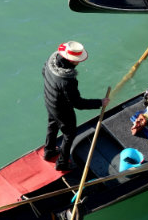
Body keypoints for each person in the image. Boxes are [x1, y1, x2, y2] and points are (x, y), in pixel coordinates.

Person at [42, 41, 109, 171]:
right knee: (69, 133)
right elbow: (77, 103)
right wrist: (100, 102)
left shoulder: (51, 61)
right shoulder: (67, 80)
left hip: (49, 100)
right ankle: (62, 163)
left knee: (52, 124)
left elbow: (44, 72)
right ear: (73, 60)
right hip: (62, 109)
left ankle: (49, 151)